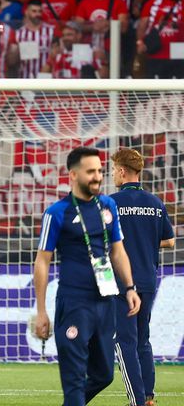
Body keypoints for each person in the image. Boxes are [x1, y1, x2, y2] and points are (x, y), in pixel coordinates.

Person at [31, 146, 142, 406]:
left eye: (100, 171)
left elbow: (118, 251)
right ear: (73, 174)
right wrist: (41, 310)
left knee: (104, 375)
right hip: (74, 304)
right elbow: (42, 262)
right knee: (74, 382)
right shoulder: (57, 213)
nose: (97, 176)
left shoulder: (109, 205)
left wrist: (130, 287)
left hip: (105, 302)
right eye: (90, 171)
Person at [109, 148, 175, 406]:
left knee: (125, 341)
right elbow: (169, 241)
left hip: (123, 284)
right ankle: (148, 397)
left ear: (123, 171)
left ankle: (136, 401)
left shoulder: (111, 203)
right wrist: (145, 239)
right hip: (148, 280)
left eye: (114, 169)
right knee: (143, 340)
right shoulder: (156, 204)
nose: (113, 174)